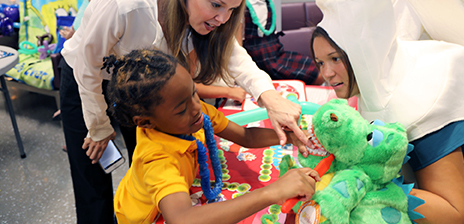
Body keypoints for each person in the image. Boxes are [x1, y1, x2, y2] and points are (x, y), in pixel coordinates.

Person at [59, 0, 308, 224]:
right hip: (88, 81)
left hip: (143, 92)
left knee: (143, 162)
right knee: (92, 174)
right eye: (215, 5)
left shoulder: (204, 20)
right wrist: (99, 126)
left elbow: (235, 56)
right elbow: (87, 67)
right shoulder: (124, 3)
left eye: (231, 9)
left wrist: (270, 98)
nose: (222, 19)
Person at [309, 0, 464, 224]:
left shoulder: (423, 101)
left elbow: (454, 215)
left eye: (335, 59)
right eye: (320, 62)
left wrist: (366, 190)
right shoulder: (380, 77)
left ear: (362, 53)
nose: (327, 73)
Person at [105, 49, 318, 224]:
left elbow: (246, 136)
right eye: (181, 109)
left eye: (193, 93)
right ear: (146, 122)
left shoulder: (194, 113)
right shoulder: (158, 160)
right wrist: (272, 192)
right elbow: (182, 219)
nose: (196, 107)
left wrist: (290, 138)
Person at [240, 0, 323, 85]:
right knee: (315, 76)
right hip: (260, 61)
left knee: (318, 68)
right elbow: (238, 45)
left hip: (276, 53)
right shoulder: (241, 5)